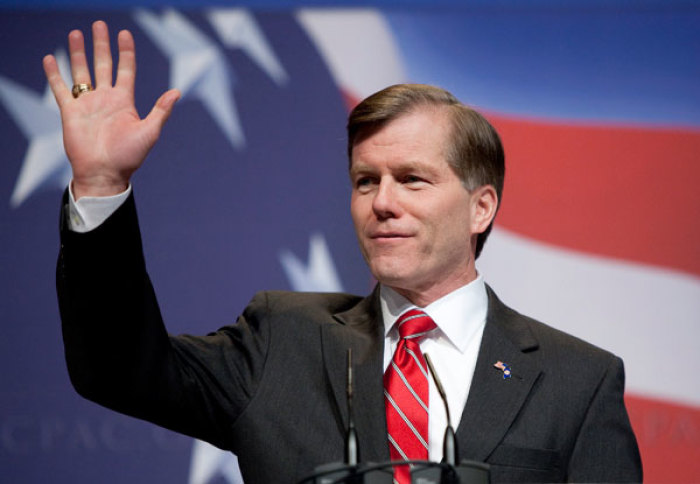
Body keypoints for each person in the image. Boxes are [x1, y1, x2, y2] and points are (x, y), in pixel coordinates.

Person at [46, 20, 642, 483]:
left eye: (411, 179)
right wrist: (100, 185)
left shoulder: (576, 381)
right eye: (365, 180)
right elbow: (119, 370)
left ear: (481, 207)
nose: (381, 202)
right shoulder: (282, 341)